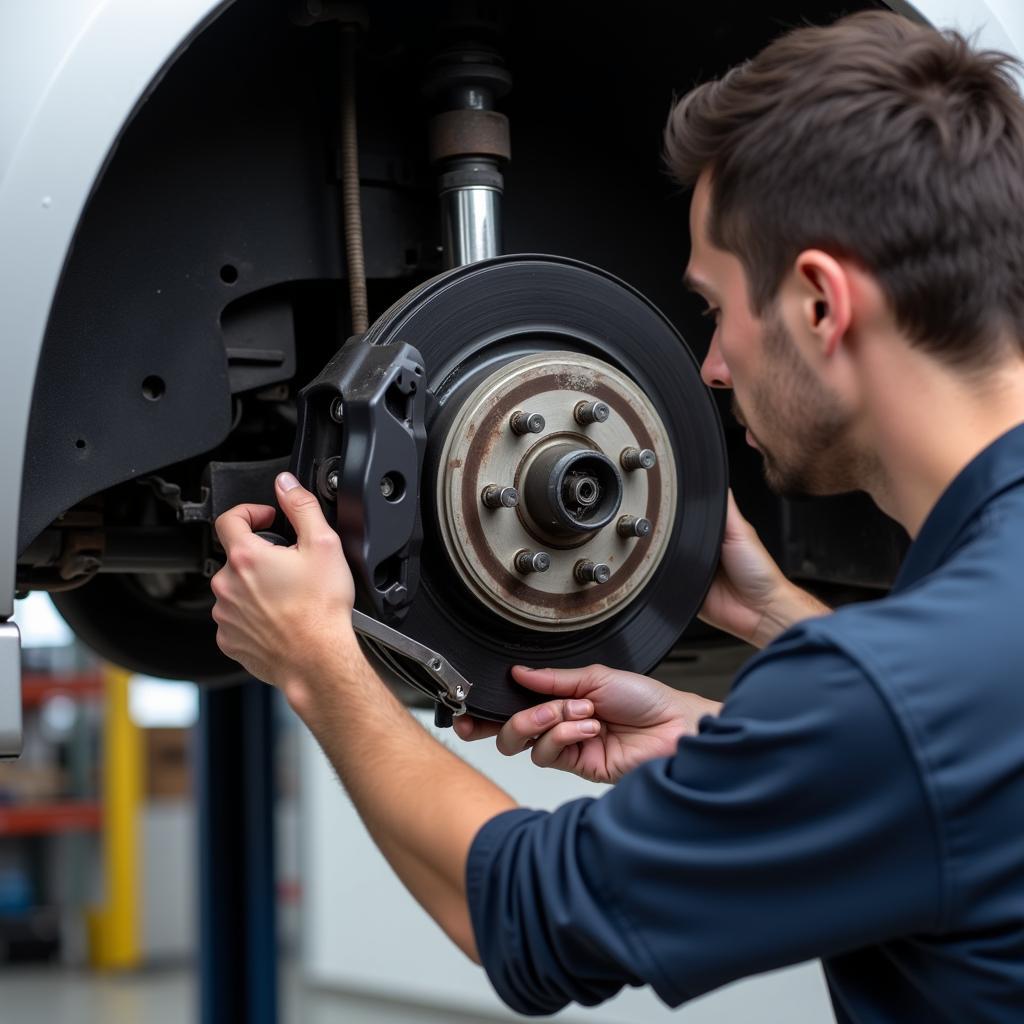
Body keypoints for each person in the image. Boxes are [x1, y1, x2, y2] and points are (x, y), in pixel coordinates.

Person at [209, 11, 1024, 1022]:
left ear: (820, 303)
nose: (713, 371)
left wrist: (317, 661)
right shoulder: (968, 655)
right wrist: (771, 657)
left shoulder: (906, 700)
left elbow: (525, 911)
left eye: (716, 311)